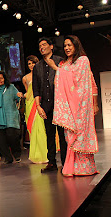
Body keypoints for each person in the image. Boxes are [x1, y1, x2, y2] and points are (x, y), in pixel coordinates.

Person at [50, 35, 99, 177]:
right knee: (70, 136)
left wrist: (57, 70)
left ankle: (85, 168)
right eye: (65, 46)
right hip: (69, 107)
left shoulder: (83, 61)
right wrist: (60, 71)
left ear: (76, 45)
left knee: (81, 135)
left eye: (69, 45)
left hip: (81, 107)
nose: (66, 48)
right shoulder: (65, 65)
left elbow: (89, 83)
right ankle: (72, 166)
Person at [32, 37, 67, 173]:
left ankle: (65, 163)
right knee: (50, 135)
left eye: (44, 45)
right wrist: (38, 106)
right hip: (45, 105)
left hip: (60, 104)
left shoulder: (60, 61)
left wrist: (55, 67)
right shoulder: (37, 67)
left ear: (51, 46)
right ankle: (51, 162)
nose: (42, 47)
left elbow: (66, 79)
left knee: (63, 136)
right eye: (40, 46)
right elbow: (36, 87)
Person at [0, 71, 23, 164]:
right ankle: (8, 158)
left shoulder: (11, 88)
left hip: (10, 116)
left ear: (5, 79)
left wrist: (19, 95)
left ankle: (17, 155)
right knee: (1, 139)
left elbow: (17, 98)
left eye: (1, 78)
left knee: (12, 136)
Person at [22, 55, 48, 164]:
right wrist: (23, 95)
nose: (31, 65)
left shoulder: (41, 75)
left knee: (40, 128)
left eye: (33, 63)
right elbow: (28, 92)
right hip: (29, 104)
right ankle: (35, 154)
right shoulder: (25, 78)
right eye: (29, 64)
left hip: (39, 103)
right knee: (31, 128)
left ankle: (43, 154)